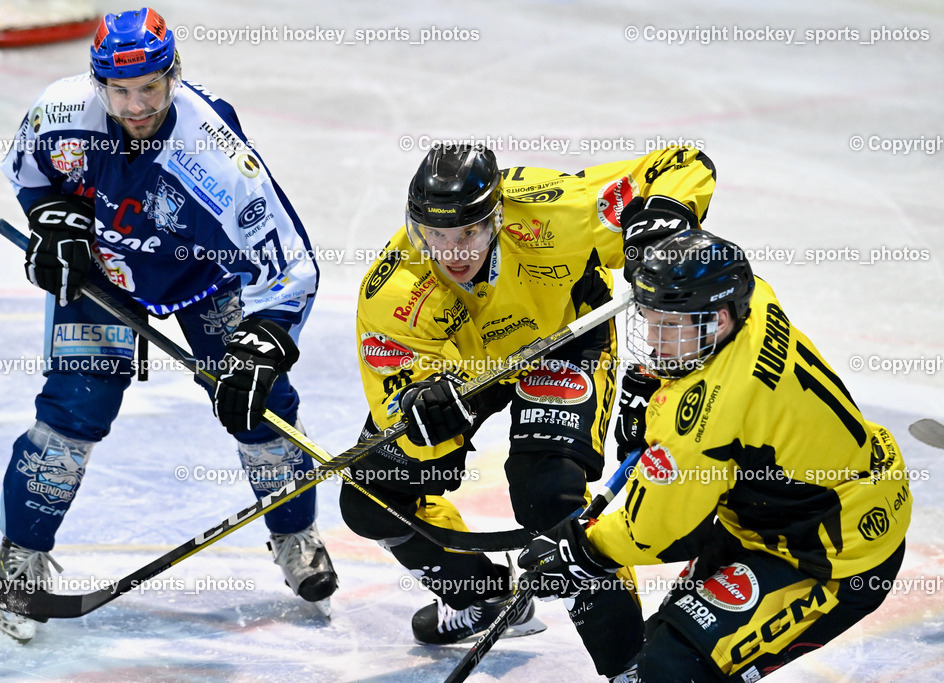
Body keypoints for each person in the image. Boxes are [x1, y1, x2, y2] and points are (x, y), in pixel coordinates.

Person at [0, 7, 337, 643]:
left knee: (259, 404)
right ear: (98, 83)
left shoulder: (214, 154)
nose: (137, 104)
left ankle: (295, 534)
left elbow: (290, 265)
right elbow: (29, 174)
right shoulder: (60, 111)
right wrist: (55, 222)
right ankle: (19, 557)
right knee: (72, 410)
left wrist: (263, 344)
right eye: (119, 90)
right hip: (105, 271)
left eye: (150, 85)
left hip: (205, 277)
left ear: (174, 74)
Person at [340, 142, 716, 669]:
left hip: (563, 338)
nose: (452, 252)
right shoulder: (394, 289)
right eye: (435, 236)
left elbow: (683, 163)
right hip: (464, 371)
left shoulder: (553, 210)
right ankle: (482, 594)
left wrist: (662, 221)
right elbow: (395, 399)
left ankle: (634, 667)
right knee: (369, 499)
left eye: (468, 233)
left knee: (548, 497)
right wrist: (423, 416)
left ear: (496, 218)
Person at [518, 229, 912, 681]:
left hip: (833, 555)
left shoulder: (704, 422)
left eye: (668, 326)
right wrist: (653, 384)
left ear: (718, 320)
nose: (653, 340)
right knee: (662, 645)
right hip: (790, 511)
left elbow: (656, 533)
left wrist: (579, 549)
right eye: (650, 320)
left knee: (671, 668)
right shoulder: (754, 300)